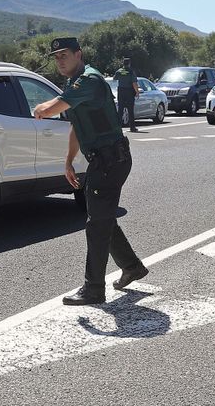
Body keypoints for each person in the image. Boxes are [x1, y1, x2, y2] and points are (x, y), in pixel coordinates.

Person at [33, 37, 147, 305]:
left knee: (96, 223)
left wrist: (39, 108)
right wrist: (69, 160)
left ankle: (93, 288)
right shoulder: (74, 83)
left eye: (64, 55)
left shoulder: (89, 80)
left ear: (78, 54)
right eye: (56, 57)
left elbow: (50, 109)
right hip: (104, 160)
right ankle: (132, 267)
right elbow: (75, 123)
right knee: (102, 216)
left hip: (111, 161)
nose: (59, 61)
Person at [114, 58, 141, 132]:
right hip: (129, 92)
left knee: (120, 110)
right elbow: (134, 83)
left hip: (121, 91)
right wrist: (137, 92)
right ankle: (132, 128)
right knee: (130, 110)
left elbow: (114, 78)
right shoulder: (131, 71)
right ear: (129, 63)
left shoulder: (119, 71)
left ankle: (118, 128)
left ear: (123, 63)